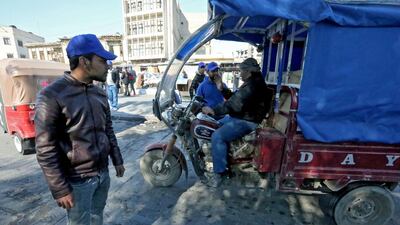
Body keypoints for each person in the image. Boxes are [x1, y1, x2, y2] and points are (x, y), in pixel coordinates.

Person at [35, 34, 125, 225]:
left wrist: (117, 159)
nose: (108, 66)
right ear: (85, 61)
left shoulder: (99, 93)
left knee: (96, 216)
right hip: (77, 181)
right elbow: (45, 149)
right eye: (102, 60)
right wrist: (60, 188)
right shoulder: (52, 95)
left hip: (103, 174)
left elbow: (107, 130)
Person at [201, 58, 273, 188]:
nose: (240, 73)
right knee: (214, 123)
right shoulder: (251, 82)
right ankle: (221, 157)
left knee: (217, 136)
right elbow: (235, 98)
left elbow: (234, 104)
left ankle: (220, 174)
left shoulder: (253, 85)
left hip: (247, 121)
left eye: (241, 71)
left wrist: (213, 110)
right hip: (242, 116)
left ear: (249, 71)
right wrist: (221, 88)